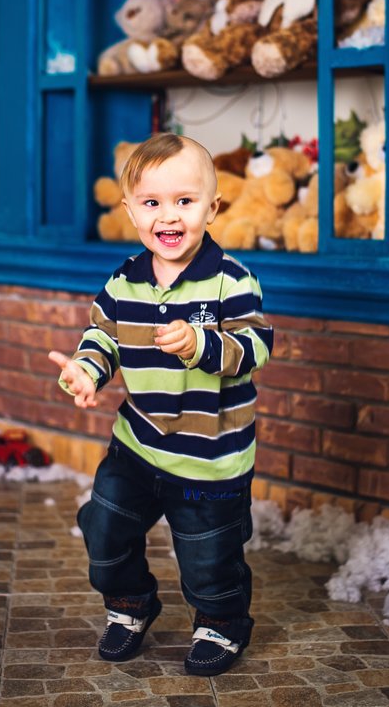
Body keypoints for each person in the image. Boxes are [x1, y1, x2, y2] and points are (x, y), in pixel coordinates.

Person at [48, 133, 273, 676]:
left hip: (209, 457)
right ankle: (129, 606)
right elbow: (102, 336)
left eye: (184, 201)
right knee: (104, 529)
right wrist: (86, 371)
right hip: (137, 444)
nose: (167, 216)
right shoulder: (125, 281)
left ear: (211, 207)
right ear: (129, 211)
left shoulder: (231, 281)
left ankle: (222, 623)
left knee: (208, 559)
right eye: (151, 203)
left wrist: (202, 344)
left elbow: (256, 347)